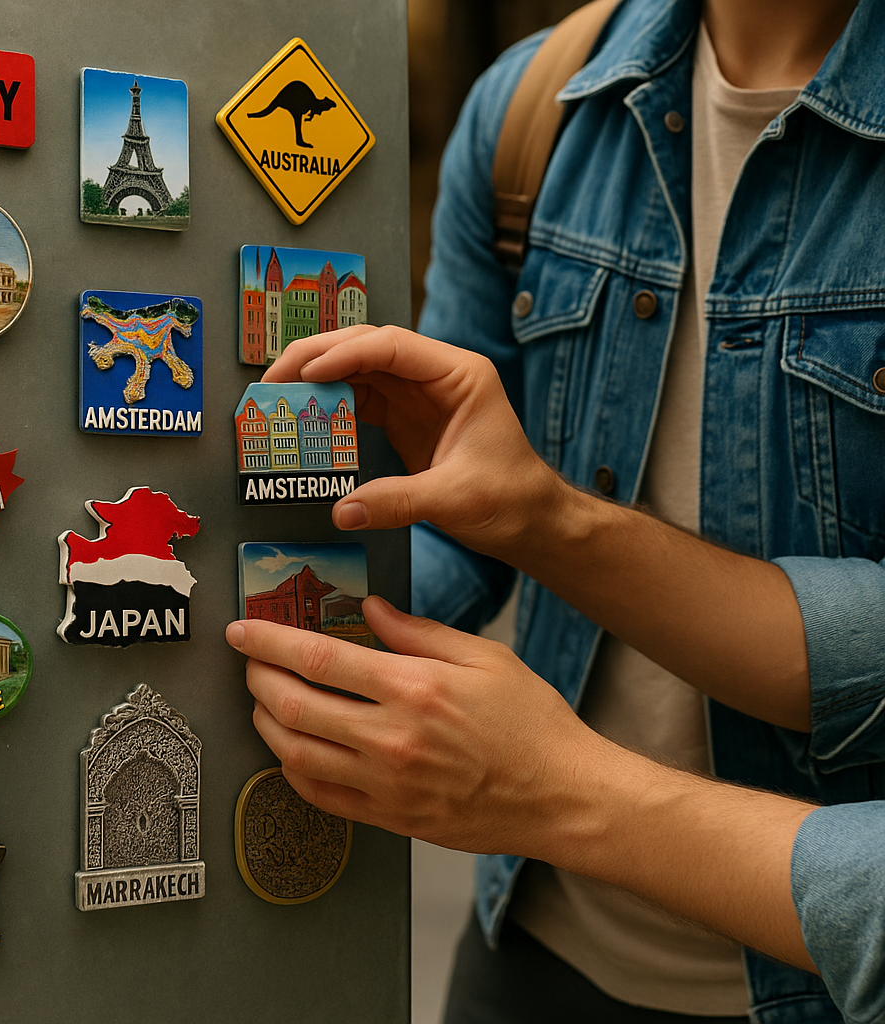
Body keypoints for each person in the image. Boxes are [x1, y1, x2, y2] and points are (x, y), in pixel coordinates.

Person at [225, 0, 885, 1021]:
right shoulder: (533, 106)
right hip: (531, 941)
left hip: (815, 982)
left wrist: (552, 786)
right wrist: (303, 619)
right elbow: (451, 512)